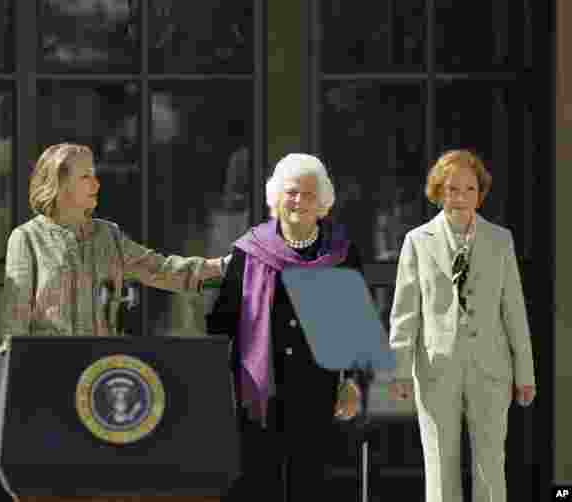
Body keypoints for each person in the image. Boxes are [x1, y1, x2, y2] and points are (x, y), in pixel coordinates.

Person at [0, 142, 227, 502]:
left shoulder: (110, 236)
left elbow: (164, 270)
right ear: (59, 184)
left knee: (102, 487)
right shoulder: (26, 238)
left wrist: (228, 267)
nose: (97, 183)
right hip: (47, 385)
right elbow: (15, 321)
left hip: (101, 384)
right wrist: (20, 393)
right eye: (86, 175)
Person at [205, 153, 363, 501]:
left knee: (309, 484)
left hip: (317, 390)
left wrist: (351, 381)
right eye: (291, 192)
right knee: (261, 484)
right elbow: (222, 321)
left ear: (322, 203)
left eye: (309, 194)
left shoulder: (340, 252)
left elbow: (354, 326)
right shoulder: (249, 250)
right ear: (276, 197)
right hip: (259, 389)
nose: (299, 201)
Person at [388, 149, 535, 502]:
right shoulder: (417, 241)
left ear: (480, 193)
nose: (460, 197)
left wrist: (525, 372)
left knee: (490, 466)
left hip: (491, 368)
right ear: (438, 191)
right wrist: (400, 371)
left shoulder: (501, 240)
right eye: (452, 189)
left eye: (469, 189)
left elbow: (513, 309)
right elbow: (405, 311)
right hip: (437, 368)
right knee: (440, 467)